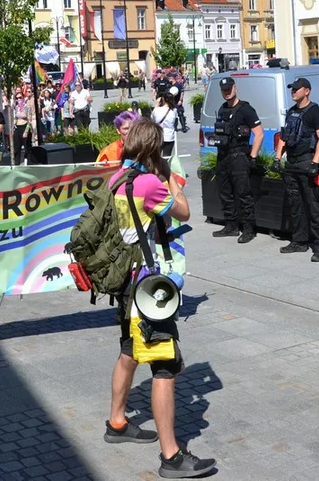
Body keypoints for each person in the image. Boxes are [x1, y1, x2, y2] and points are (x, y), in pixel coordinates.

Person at [103, 118, 216, 479]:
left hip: (123, 282)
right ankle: (171, 457)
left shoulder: (117, 179)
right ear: (155, 148)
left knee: (127, 350)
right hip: (146, 288)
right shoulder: (150, 183)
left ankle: (117, 422)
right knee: (164, 366)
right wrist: (168, 176)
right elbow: (184, 212)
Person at [273, 78, 319, 262]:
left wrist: (315, 163)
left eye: (297, 89)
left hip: (307, 163)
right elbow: (284, 136)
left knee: (315, 207)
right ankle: (299, 241)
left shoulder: (316, 112)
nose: (293, 91)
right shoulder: (291, 112)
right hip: (291, 164)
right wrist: (277, 158)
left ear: (307, 91)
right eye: (292, 89)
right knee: (296, 205)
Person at [210, 77, 264, 244]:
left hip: (239, 156)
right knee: (225, 193)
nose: (227, 92)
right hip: (223, 157)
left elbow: (259, 134)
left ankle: (249, 229)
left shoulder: (245, 109)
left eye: (229, 89)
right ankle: (231, 225)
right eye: (224, 90)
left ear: (235, 88)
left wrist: (253, 156)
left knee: (243, 194)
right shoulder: (222, 108)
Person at [151, 90, 178, 158]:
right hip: (169, 136)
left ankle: (157, 168)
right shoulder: (174, 111)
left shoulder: (157, 110)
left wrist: (157, 104)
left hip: (159, 135)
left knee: (156, 157)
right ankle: (165, 168)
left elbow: (152, 119)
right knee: (167, 156)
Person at [11, 87, 34, 165]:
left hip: (25, 127)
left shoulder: (27, 107)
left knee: (27, 148)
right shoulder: (16, 108)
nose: (19, 99)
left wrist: (26, 131)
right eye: (17, 98)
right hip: (17, 127)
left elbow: (29, 120)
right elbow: (15, 118)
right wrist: (12, 129)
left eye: (20, 97)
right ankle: (16, 165)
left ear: (23, 98)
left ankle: (29, 164)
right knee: (16, 148)